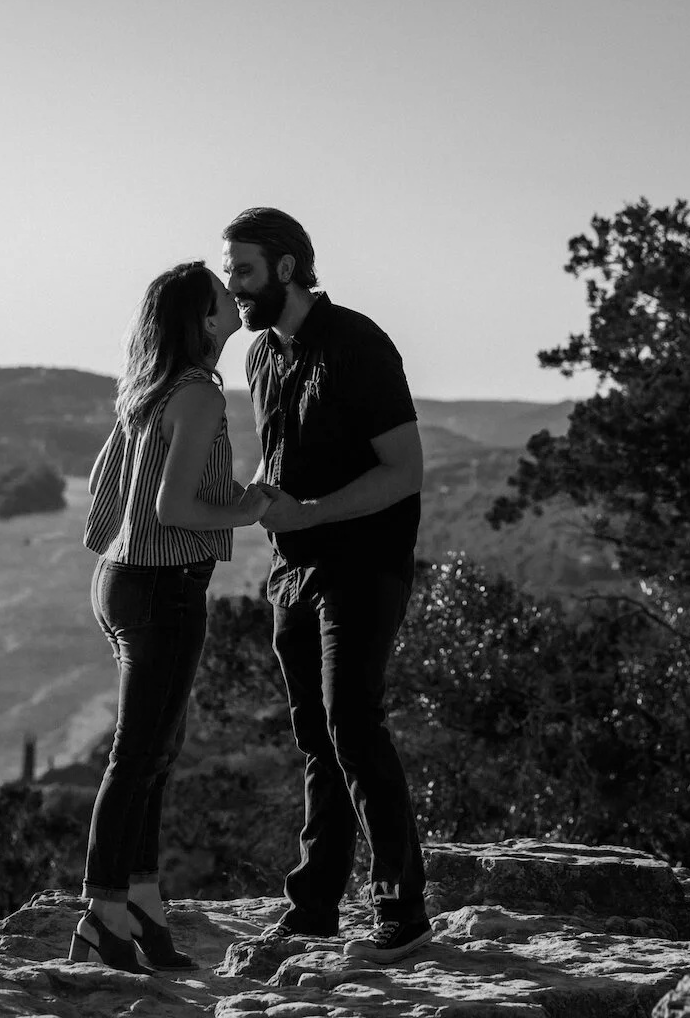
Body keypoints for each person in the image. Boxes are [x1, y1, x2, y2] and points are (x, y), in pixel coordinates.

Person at [221, 207, 433, 965]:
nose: (233, 286)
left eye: (243, 270)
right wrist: (247, 503)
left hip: (364, 563)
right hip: (293, 571)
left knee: (352, 722)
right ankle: (314, 908)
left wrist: (308, 512)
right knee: (318, 738)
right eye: (228, 272)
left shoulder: (359, 344)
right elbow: (281, 468)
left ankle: (401, 910)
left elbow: (403, 472)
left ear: (285, 267)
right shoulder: (259, 358)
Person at [71, 260, 272, 973]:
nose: (236, 300)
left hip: (123, 579)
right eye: (224, 297)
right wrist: (251, 505)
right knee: (136, 757)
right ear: (203, 320)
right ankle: (101, 912)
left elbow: (104, 487)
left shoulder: (146, 390)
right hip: (164, 588)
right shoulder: (199, 397)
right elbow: (174, 509)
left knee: (155, 753)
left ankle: (145, 904)